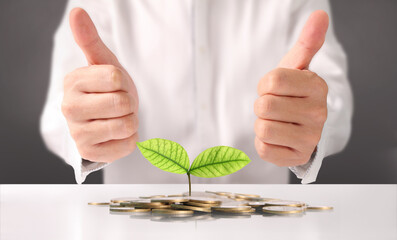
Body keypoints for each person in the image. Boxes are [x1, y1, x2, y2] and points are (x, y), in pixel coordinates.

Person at [40, 0, 352, 184]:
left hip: (260, 224)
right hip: (134, 226)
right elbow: (57, 116)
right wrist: (84, 124)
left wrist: (312, 119)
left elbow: (335, 103)